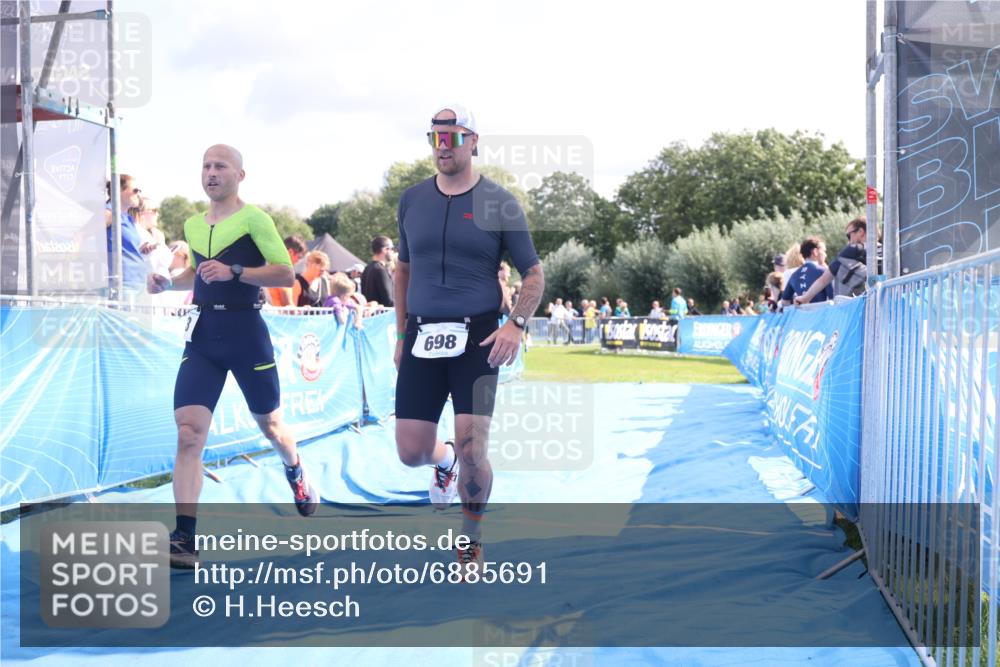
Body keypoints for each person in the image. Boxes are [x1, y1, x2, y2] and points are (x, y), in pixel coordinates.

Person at [147, 144, 318, 568]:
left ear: (240, 175)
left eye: (220, 166)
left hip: (246, 333)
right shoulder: (192, 223)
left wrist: (236, 272)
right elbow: (195, 274)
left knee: (272, 427)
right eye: (206, 165)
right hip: (203, 334)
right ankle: (184, 538)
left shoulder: (255, 219)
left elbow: (285, 273)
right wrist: (166, 281)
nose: (211, 172)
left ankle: (295, 469)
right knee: (189, 433)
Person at [393, 104, 543, 575]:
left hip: (478, 337)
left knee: (474, 445)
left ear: (473, 141)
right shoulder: (411, 200)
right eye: (435, 137)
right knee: (410, 451)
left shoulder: (500, 202)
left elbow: (534, 274)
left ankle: (471, 538)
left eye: (452, 137)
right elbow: (403, 271)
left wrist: (515, 324)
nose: (443, 146)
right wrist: (401, 333)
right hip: (421, 334)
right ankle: (444, 462)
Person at [795, 218, 869, 305]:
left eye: (849, 236)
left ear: (860, 231)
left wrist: (804, 298)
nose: (849, 241)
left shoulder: (853, 250)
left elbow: (824, 280)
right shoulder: (882, 251)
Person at [105, 174, 148, 293]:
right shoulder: (109, 213)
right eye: (136, 190)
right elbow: (81, 235)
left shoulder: (128, 218)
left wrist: (140, 250)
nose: (139, 194)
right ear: (118, 191)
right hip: (120, 285)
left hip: (136, 283)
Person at [780, 237, 832, 308]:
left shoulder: (794, 275)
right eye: (824, 251)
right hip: (821, 313)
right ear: (815, 252)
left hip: (803, 314)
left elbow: (784, 302)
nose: (825, 255)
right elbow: (833, 298)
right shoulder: (824, 272)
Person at [266, 236, 306, 307]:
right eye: (299, 257)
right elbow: (287, 304)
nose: (298, 261)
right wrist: (303, 311)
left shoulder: (271, 265)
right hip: (277, 313)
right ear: (290, 252)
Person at [361, 235, 395, 307]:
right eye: (392, 248)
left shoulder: (367, 268)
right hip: (382, 313)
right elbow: (388, 301)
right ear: (385, 250)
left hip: (370, 312)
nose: (393, 251)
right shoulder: (380, 270)